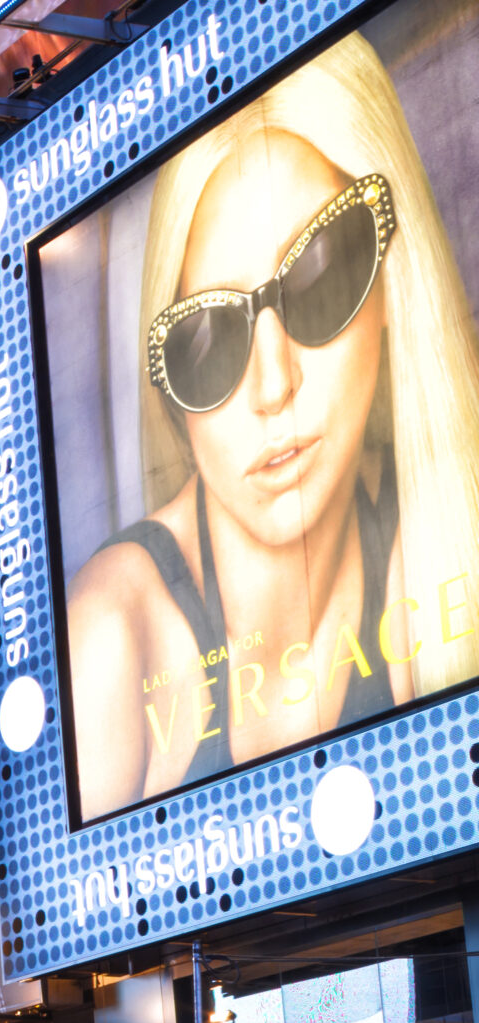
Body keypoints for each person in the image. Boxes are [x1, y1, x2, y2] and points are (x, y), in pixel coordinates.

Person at [65, 29, 479, 818]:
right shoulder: (111, 638)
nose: (274, 383)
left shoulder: (445, 533)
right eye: (208, 342)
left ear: (392, 284)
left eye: (322, 277)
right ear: (170, 396)